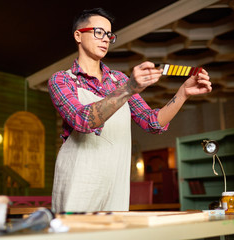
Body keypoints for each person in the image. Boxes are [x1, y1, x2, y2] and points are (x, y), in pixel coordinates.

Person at [48, 8, 212, 213]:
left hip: (115, 181)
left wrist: (183, 93)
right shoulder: (62, 80)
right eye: (99, 32)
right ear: (78, 35)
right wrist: (129, 89)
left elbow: (153, 122)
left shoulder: (119, 80)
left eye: (109, 35)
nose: (106, 39)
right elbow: (83, 120)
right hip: (79, 180)